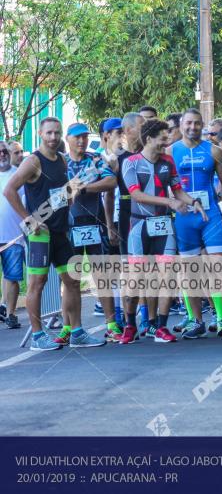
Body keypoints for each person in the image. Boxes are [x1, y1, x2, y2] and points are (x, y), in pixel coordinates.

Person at [4, 117, 105, 350]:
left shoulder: (61, 159)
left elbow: (64, 190)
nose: (53, 137)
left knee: (72, 280)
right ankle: (38, 337)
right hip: (39, 233)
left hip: (61, 230)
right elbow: (9, 190)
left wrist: (71, 194)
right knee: (37, 284)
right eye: (49, 133)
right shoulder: (32, 162)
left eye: (57, 133)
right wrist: (28, 218)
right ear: (40, 133)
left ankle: (77, 331)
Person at [123, 119, 206, 343]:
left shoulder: (168, 161)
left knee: (166, 277)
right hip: (139, 226)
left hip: (163, 226)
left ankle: (160, 326)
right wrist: (168, 202)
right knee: (137, 279)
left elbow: (178, 190)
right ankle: (130, 324)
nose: (166, 141)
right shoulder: (130, 163)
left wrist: (193, 202)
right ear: (149, 138)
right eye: (162, 138)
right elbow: (137, 195)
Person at [169, 108, 222, 339]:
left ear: (203, 125)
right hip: (185, 217)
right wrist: (171, 204)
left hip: (211, 216)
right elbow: (163, 184)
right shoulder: (170, 152)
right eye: (188, 123)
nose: (192, 127)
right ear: (180, 125)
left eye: (197, 123)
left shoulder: (214, 150)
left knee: (221, 267)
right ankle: (196, 321)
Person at [63, 123, 119, 342]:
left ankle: (112, 324)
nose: (81, 141)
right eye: (77, 137)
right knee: (70, 279)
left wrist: (84, 188)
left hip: (94, 224)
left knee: (101, 277)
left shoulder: (94, 159)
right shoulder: (62, 162)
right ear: (68, 139)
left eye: (85, 137)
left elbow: (111, 181)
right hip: (70, 226)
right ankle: (68, 328)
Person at [0, 141, 24, 329]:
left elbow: (27, 201)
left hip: (14, 235)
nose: (2, 154)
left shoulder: (18, 175)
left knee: (12, 276)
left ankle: (11, 314)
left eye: (4, 151)